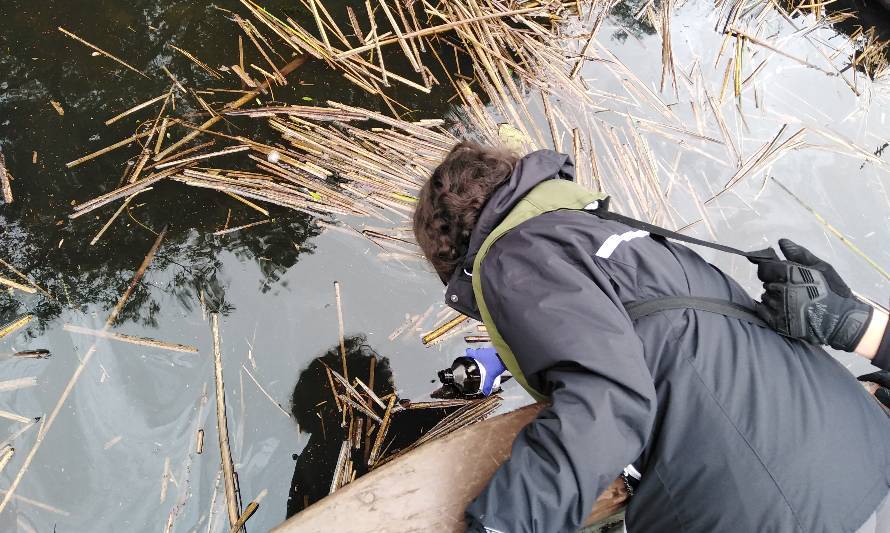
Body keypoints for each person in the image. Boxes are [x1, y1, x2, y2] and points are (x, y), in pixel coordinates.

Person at [412, 142, 890, 532]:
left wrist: (502, 526)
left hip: (776, 513)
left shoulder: (512, 258)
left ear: (455, 256)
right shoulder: (615, 238)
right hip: (867, 455)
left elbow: (609, 399)